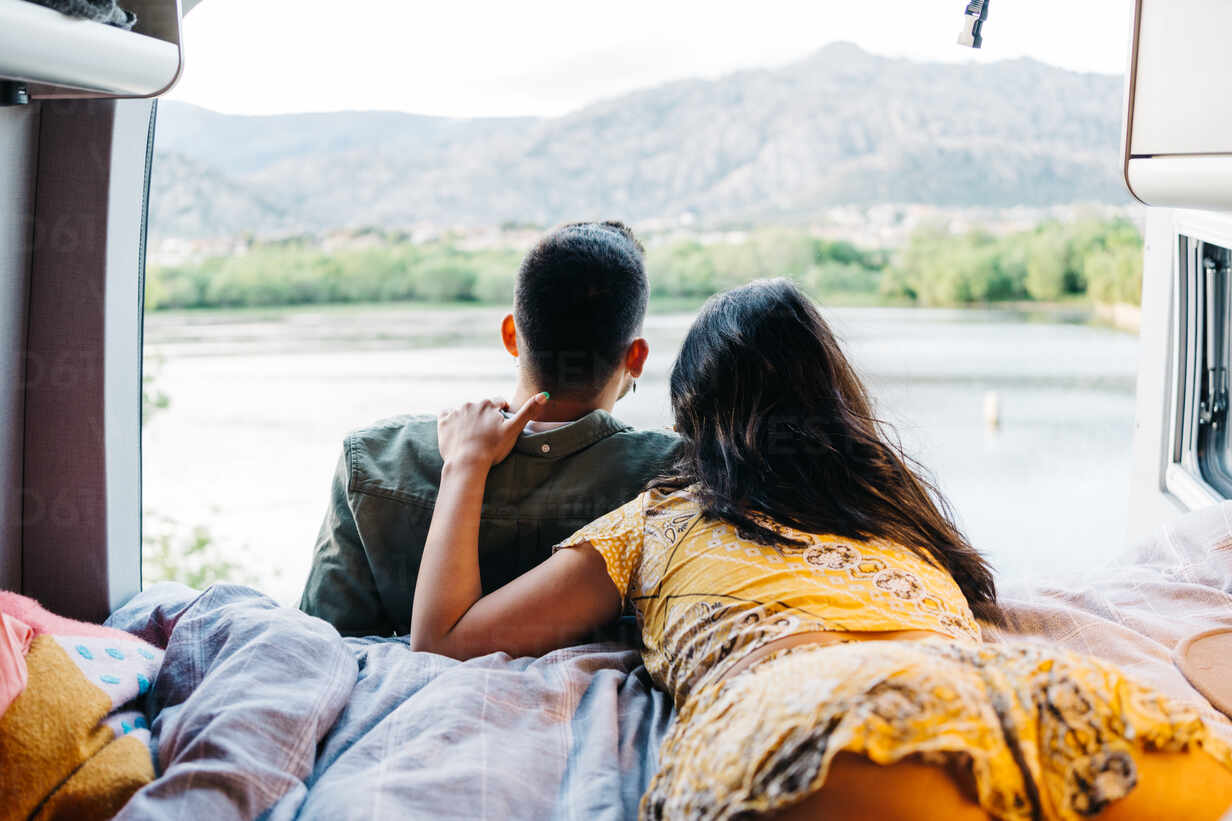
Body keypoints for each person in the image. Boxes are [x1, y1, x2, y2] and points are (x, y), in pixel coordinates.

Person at [408, 278, 1232, 820]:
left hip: (812, 718)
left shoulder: (657, 521)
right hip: (1043, 708)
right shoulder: (898, 511)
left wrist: (467, 461)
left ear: (695, 416)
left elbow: (444, 637)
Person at [299, 221, 679, 638]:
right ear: (637, 357)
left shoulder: (373, 458)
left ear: (511, 335)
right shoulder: (674, 479)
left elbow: (322, 642)